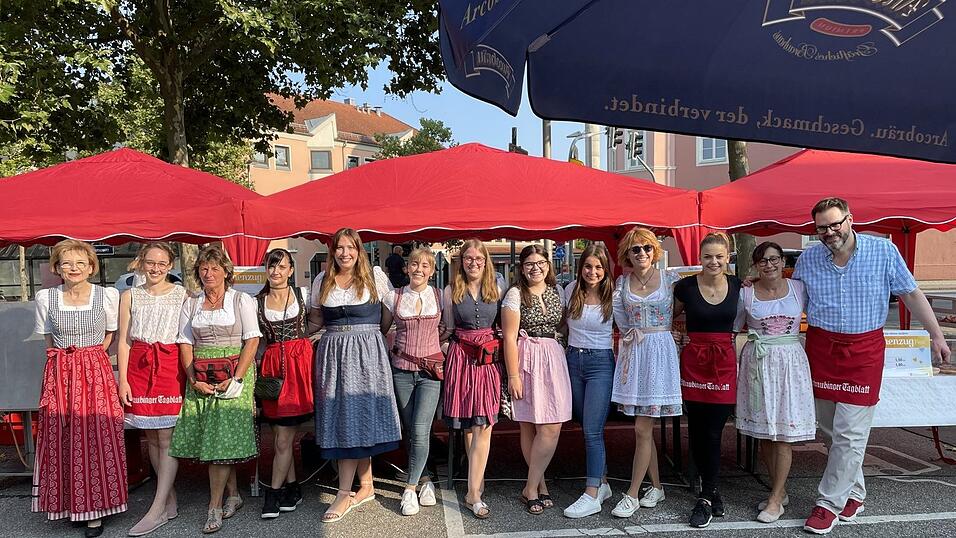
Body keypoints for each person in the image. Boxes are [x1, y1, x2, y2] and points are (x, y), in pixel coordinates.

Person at [796, 198, 951, 535]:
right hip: (822, 347)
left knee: (850, 432)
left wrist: (936, 335)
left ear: (850, 219)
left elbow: (911, 294)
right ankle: (854, 492)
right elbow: (794, 299)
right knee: (831, 429)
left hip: (864, 349)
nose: (829, 232)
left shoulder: (882, 251)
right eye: (822, 227)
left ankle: (827, 504)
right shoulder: (809, 257)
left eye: (835, 224)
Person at [32, 240, 126, 537]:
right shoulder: (47, 297)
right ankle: (72, 504)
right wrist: (62, 365)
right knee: (63, 434)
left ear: (90, 266)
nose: (74, 268)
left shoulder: (106, 295)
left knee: (96, 433)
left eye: (80, 263)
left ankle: (96, 509)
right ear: (57, 267)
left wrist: (90, 357)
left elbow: (111, 333)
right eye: (67, 263)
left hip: (94, 369)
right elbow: (48, 339)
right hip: (60, 370)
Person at [169, 245, 261, 534]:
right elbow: (184, 343)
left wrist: (237, 379)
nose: (208, 273)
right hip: (201, 376)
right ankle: (233, 495)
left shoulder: (240, 300)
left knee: (220, 440)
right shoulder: (192, 303)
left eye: (214, 268)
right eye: (204, 269)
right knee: (215, 439)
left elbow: (252, 341)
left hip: (233, 374)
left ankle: (214, 506)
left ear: (226, 272)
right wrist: (192, 378)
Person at [308, 228, 398, 523]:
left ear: (359, 250)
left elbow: (388, 316)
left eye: (350, 247)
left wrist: (369, 339)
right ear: (333, 251)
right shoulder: (323, 280)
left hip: (367, 352)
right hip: (333, 354)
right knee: (345, 416)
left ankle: (344, 493)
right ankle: (366, 486)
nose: (344, 253)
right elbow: (317, 319)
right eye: (339, 248)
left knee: (359, 416)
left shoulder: (375, 277)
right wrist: (291, 337)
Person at [733, 241, 815, 524]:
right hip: (758, 363)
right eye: (762, 261)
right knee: (765, 432)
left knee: (783, 433)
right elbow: (733, 328)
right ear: (755, 265)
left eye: (774, 259)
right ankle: (778, 490)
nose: (769, 265)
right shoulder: (745, 294)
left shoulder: (799, 288)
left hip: (790, 363)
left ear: (783, 262)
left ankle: (776, 497)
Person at [610, 228, 682, 518]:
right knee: (644, 428)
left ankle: (632, 493)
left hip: (660, 350)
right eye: (635, 249)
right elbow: (623, 321)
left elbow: (695, 298)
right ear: (627, 254)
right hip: (635, 351)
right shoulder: (622, 283)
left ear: (655, 251)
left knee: (642, 427)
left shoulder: (670, 280)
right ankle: (657, 486)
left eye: (647, 248)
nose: (641, 253)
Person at [117, 242, 188, 536]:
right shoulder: (129, 295)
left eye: (162, 263)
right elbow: (124, 340)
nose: (156, 268)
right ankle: (168, 499)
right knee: (150, 436)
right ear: (141, 263)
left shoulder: (182, 295)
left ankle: (157, 508)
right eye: (150, 262)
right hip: (140, 365)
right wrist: (123, 379)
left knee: (167, 436)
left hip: (169, 366)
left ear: (170, 266)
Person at [673, 232, 741, 528]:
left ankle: (707, 493)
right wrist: (678, 334)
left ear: (728, 258)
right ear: (699, 259)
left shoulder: (740, 286)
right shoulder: (684, 287)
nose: (713, 261)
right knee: (698, 429)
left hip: (723, 362)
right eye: (707, 257)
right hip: (695, 361)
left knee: (714, 430)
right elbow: (671, 318)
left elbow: (750, 321)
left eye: (718, 256)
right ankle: (711, 492)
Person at [502, 244, 572, 515]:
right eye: (530, 263)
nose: (536, 268)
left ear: (548, 264)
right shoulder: (515, 294)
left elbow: (563, 324)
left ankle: (531, 486)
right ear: (522, 267)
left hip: (552, 357)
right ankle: (537, 486)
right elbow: (509, 337)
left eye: (541, 262)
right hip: (526, 357)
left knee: (552, 424)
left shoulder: (557, 291)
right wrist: (513, 375)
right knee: (529, 424)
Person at [441, 239, 504, 519]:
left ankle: (473, 492)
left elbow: (504, 327)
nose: (474, 262)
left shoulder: (498, 289)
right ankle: (475, 482)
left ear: (486, 261)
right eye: (468, 258)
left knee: (484, 423)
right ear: (461, 261)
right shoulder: (450, 290)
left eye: (479, 258)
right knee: (468, 425)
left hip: (487, 360)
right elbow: (448, 330)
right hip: (462, 358)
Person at [380, 248, 443, 516]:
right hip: (401, 371)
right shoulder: (393, 297)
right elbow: (381, 330)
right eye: (414, 264)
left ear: (432, 270)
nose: (419, 269)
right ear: (407, 268)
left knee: (420, 428)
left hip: (431, 372)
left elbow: (447, 328)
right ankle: (426, 478)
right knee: (411, 429)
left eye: (425, 265)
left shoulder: (441, 296)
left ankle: (409, 487)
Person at [255, 249, 314, 519]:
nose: (276, 272)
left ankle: (275, 492)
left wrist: (312, 339)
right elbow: (256, 341)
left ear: (291, 270)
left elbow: (317, 321)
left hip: (299, 367)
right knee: (281, 436)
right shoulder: (256, 302)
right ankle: (292, 488)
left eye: (282, 267)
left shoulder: (303, 295)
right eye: (272, 266)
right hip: (273, 369)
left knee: (285, 435)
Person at [561, 244, 615, 519]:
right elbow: (559, 324)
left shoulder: (614, 296)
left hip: (601, 364)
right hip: (573, 360)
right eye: (588, 266)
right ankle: (603, 481)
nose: (592, 272)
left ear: (605, 271)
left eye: (598, 267)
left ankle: (591, 492)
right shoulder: (570, 291)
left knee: (592, 430)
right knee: (585, 424)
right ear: (581, 267)